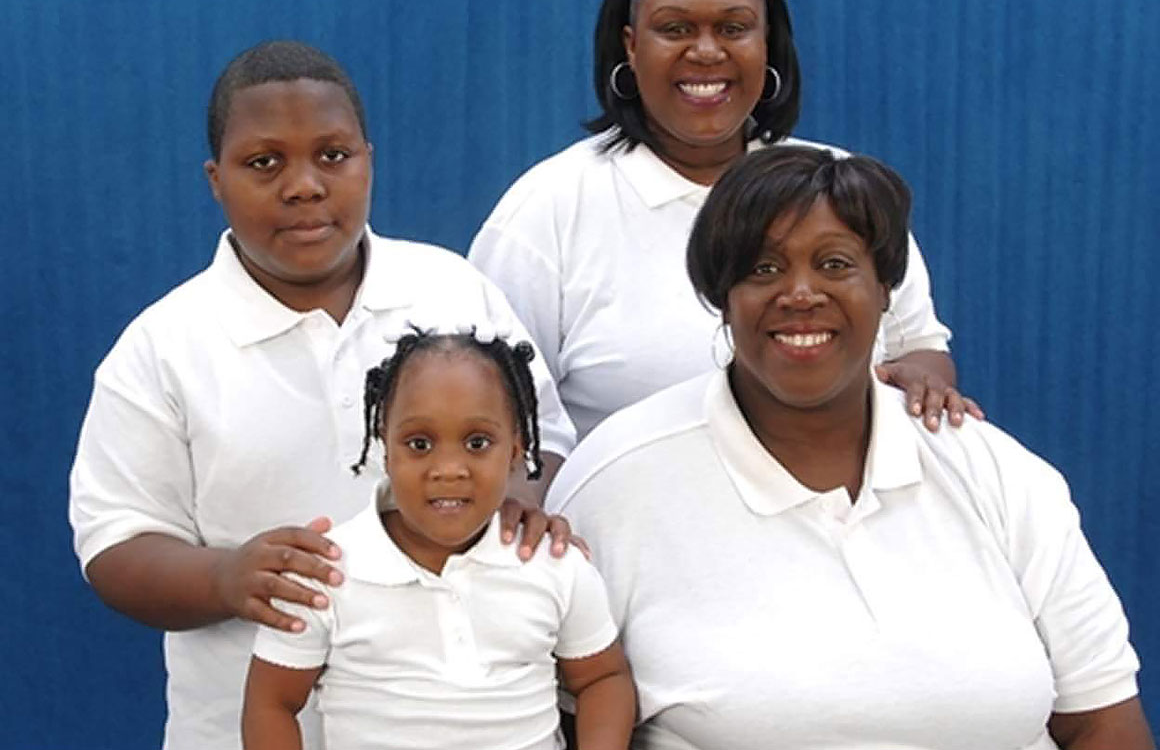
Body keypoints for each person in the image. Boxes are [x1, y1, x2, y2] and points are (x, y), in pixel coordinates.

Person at [545, 146, 1151, 749]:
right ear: (720, 296)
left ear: (887, 289)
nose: (801, 293)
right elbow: (567, 719)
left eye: (835, 265)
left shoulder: (998, 474)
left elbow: (1103, 722)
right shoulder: (620, 482)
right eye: (763, 269)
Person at [68, 41, 578, 750]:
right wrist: (225, 576)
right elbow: (114, 545)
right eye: (264, 162)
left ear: (369, 158)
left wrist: (524, 494)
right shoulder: (163, 347)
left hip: (477, 727)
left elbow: (543, 437)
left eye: (333, 155)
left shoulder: (452, 291)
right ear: (216, 179)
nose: (304, 185)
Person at [469, 0, 981, 442]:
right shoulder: (548, 208)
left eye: (733, 28)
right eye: (675, 29)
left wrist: (924, 382)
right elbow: (494, 415)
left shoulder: (836, 186)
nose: (708, 52)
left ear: (767, 43)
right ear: (630, 45)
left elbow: (917, 347)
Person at [243, 328, 634, 750]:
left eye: (477, 442)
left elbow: (602, 678)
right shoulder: (326, 571)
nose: (449, 468)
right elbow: (272, 701)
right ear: (384, 446)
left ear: (516, 450)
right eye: (420, 443)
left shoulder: (554, 563)